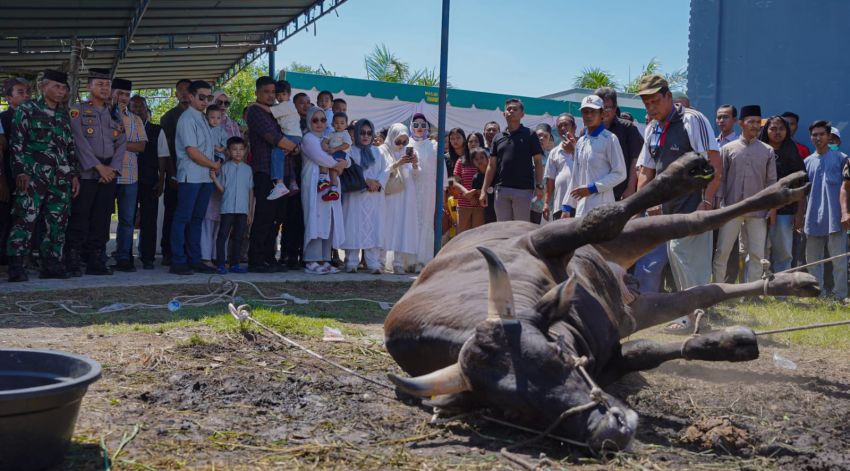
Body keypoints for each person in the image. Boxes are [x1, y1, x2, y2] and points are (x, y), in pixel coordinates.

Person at [635, 74, 721, 292]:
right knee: (676, 261)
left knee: (690, 262)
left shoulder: (692, 119)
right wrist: (639, 205)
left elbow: (714, 163)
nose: (651, 108)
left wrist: (706, 202)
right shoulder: (651, 128)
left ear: (669, 96)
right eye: (647, 104)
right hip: (667, 208)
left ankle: (695, 315)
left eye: (655, 101)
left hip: (694, 203)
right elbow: (646, 171)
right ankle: (689, 314)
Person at [5, 70, 79, 281]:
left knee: (57, 221)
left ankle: (51, 264)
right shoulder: (27, 109)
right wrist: (20, 171)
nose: (61, 91)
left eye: (64, 88)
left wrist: (73, 174)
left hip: (60, 178)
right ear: (44, 87)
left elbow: (70, 147)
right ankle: (17, 265)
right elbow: (16, 143)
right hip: (33, 176)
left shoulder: (64, 115)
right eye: (56, 86)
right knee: (25, 218)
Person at [66, 68, 124, 277]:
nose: (104, 88)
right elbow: (79, 142)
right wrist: (98, 167)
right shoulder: (77, 110)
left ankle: (96, 258)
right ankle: (73, 259)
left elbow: (122, 142)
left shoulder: (114, 113)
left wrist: (112, 168)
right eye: (99, 84)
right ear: (89, 86)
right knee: (80, 217)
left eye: (107, 85)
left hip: (108, 175)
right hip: (87, 173)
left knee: (102, 219)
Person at [711, 105, 777, 284]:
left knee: (757, 253)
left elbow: (772, 182)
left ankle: (752, 291)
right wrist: (718, 204)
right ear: (741, 123)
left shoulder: (767, 151)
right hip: (731, 208)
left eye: (758, 122)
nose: (755, 126)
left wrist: (772, 208)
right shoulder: (728, 149)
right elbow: (721, 180)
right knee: (722, 251)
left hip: (758, 211)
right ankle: (718, 288)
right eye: (751, 122)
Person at [245, 76, 299, 272]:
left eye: (272, 92)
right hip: (265, 171)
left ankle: (270, 258)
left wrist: (293, 148)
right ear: (257, 93)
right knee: (264, 216)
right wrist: (293, 147)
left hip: (282, 173)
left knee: (277, 218)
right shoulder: (255, 111)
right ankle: (256, 260)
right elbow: (275, 139)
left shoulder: (278, 111)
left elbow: (292, 138)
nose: (270, 96)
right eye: (266, 92)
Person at [169, 80, 220, 275]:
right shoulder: (187, 119)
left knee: (196, 219)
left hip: (205, 177)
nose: (206, 101)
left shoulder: (202, 118)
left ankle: (194, 259)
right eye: (201, 97)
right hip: (191, 176)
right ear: (190, 96)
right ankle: (178, 260)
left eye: (209, 97)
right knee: (183, 218)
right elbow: (191, 151)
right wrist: (214, 164)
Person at [800, 120, 849, 301]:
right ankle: (817, 295)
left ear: (829, 137)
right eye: (815, 134)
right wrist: (800, 216)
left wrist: (846, 213)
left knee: (839, 260)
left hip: (836, 217)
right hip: (812, 216)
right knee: (813, 260)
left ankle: (840, 296)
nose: (818, 138)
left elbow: (847, 188)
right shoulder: (806, 162)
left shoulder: (842, 159)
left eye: (822, 134)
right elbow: (802, 194)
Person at [300, 105, 349, 274]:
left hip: (331, 183)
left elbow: (346, 156)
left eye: (323, 120)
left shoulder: (330, 137)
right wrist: (338, 164)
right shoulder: (308, 138)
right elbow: (320, 158)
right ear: (309, 121)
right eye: (315, 120)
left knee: (328, 219)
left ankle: (324, 258)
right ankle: (311, 260)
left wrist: (344, 163)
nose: (319, 123)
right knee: (315, 218)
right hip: (315, 183)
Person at [560, 95, 626, 218]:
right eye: (585, 112)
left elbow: (620, 173)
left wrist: (592, 188)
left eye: (593, 112)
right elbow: (576, 175)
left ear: (602, 114)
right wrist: (567, 206)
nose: (589, 115)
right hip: (581, 208)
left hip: (603, 208)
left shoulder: (610, 139)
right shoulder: (581, 141)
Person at [480, 99, 544, 222]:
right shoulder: (497, 137)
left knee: (520, 231)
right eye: (508, 109)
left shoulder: (530, 134)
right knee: (503, 231)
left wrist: (539, 185)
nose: (511, 111)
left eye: (515, 109)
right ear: (504, 114)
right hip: (501, 190)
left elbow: (538, 162)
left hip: (524, 190)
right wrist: (484, 191)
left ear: (522, 114)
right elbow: (491, 166)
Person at [340, 119, 388, 274]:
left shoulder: (378, 151)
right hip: (356, 196)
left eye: (369, 133)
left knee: (373, 227)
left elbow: (386, 170)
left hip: (374, 196)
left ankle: (373, 263)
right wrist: (366, 181)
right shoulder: (350, 150)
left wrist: (379, 182)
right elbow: (349, 171)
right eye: (362, 132)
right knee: (353, 226)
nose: (366, 136)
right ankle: (351, 262)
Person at [759, 115, 805, 273]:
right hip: (759, 210)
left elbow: (801, 186)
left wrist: (799, 214)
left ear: (787, 131)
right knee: (757, 251)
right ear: (766, 130)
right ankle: (755, 289)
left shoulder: (793, 153)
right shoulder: (759, 150)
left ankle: (781, 289)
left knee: (783, 252)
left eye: (781, 129)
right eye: (773, 128)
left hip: (786, 211)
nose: (777, 132)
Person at [111, 78, 147, 272]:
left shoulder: (135, 119)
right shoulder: (102, 116)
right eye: (119, 93)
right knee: (99, 218)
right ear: (111, 93)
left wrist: (117, 143)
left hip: (129, 175)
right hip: (106, 174)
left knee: (127, 219)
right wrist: (126, 143)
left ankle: (124, 256)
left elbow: (141, 146)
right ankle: (95, 255)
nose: (122, 98)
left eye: (126, 94)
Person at [129, 95, 168, 269]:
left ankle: (148, 257)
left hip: (149, 179)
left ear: (147, 110)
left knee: (149, 219)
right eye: (134, 107)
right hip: (127, 179)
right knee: (127, 218)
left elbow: (163, 156)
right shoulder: (123, 127)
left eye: (141, 107)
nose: (138, 110)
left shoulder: (157, 130)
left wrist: (161, 180)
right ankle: (124, 255)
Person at [159, 78, 192, 266]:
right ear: (176, 94)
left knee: (190, 214)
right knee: (173, 213)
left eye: (188, 90)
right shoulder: (169, 117)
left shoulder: (201, 115)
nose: (185, 93)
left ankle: (187, 250)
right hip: (176, 173)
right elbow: (168, 149)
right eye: (181, 90)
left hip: (195, 174)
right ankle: (168, 251)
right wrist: (172, 174)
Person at [380, 123, 420, 274]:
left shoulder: (409, 152)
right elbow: (382, 172)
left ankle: (398, 263)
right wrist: (398, 163)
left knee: (402, 227)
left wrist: (415, 164)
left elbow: (416, 176)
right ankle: (380, 261)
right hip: (390, 194)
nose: (402, 145)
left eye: (405, 142)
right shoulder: (383, 151)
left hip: (406, 194)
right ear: (391, 138)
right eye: (398, 141)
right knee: (387, 226)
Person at [0, 77, 31, 267]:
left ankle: (22, 256)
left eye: (28, 92)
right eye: (20, 92)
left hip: (33, 177)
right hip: (9, 176)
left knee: (25, 217)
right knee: (5, 217)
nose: (26, 96)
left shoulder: (36, 117)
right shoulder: (3, 118)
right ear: (8, 97)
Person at [211, 137, 253, 274]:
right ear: (228, 151)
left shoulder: (248, 170)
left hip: (242, 209)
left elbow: (250, 191)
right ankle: (221, 264)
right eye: (234, 149)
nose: (238, 152)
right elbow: (222, 189)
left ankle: (235, 264)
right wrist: (214, 179)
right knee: (223, 236)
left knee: (239, 237)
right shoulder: (225, 168)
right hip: (227, 208)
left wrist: (250, 211)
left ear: (245, 151)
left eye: (241, 149)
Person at [595, 87, 644, 200]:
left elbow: (636, 159)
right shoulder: (587, 132)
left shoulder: (628, 128)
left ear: (615, 107)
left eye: (607, 107)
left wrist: (631, 188)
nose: (603, 111)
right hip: (595, 194)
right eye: (599, 107)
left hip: (621, 194)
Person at [409, 113, 445, 269]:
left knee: (426, 222)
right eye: (416, 125)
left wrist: (442, 192)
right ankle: (407, 260)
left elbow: (441, 170)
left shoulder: (434, 146)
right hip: (410, 189)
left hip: (429, 190)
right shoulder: (406, 144)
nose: (419, 128)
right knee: (410, 222)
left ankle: (423, 260)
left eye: (423, 125)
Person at [199, 104, 228, 268]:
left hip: (219, 170)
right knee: (206, 221)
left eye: (218, 118)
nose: (215, 120)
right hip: (206, 172)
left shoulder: (223, 131)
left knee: (219, 221)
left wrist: (219, 150)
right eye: (212, 117)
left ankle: (219, 256)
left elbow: (223, 148)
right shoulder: (202, 130)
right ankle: (205, 256)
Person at [266, 79, 302, 200]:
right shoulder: (283, 105)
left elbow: (268, 110)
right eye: (278, 94)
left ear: (289, 94)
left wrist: (254, 104)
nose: (280, 97)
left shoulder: (286, 105)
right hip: (294, 135)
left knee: (276, 153)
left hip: (291, 135)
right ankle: (284, 183)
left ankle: (280, 184)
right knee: (281, 155)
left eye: (283, 94)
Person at [543, 113, 576, 221]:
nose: (563, 128)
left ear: (574, 127)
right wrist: (546, 203)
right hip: (560, 206)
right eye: (559, 126)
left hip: (581, 205)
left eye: (565, 125)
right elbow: (550, 181)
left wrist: (575, 149)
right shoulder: (554, 152)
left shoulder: (585, 146)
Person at [452, 146, 488, 233]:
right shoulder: (461, 161)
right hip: (464, 205)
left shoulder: (486, 163)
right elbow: (455, 182)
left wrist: (476, 194)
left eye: (476, 141)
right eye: (471, 141)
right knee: (462, 236)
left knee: (478, 236)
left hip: (480, 206)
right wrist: (468, 194)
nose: (473, 144)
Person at [318, 111, 352, 201]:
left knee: (332, 170)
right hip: (332, 152)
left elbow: (347, 145)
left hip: (340, 153)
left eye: (342, 123)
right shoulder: (331, 133)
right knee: (326, 164)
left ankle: (333, 189)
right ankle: (323, 180)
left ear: (346, 125)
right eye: (336, 123)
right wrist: (324, 145)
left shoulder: (345, 134)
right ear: (332, 124)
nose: (339, 125)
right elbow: (324, 141)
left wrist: (335, 149)